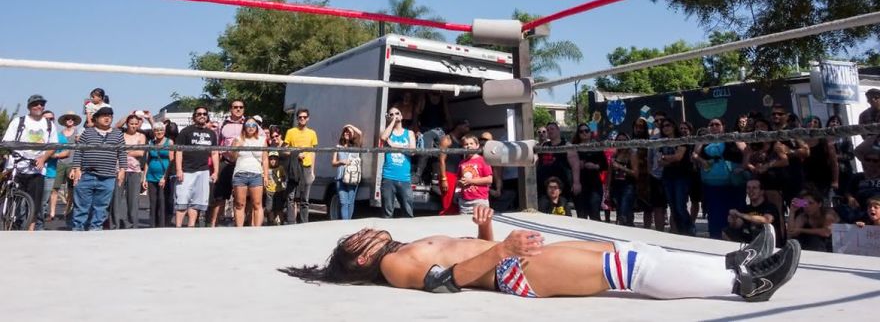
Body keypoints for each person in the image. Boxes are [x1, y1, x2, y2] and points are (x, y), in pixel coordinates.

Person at [282, 205, 800, 303]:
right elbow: (448, 280)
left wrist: (487, 229)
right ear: (360, 260)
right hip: (513, 272)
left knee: (630, 249)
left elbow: (470, 252)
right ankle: (744, 284)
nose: (363, 231)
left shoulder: (402, 246)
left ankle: (734, 263)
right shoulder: (395, 265)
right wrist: (504, 248)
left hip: (511, 258)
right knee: (629, 269)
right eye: (355, 240)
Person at [1, 94, 58, 231]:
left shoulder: (49, 124)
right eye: (35, 104)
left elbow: (53, 145)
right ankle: (10, 226)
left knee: (35, 202)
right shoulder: (18, 121)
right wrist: (13, 155)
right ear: (29, 107)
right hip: (18, 166)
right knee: (13, 201)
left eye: (41, 104)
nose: (39, 106)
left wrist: (43, 158)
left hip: (37, 169)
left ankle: (30, 231)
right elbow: (7, 141)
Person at [70, 106, 126, 231]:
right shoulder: (87, 132)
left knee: (101, 207)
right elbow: (79, 151)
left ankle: (95, 230)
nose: (107, 118)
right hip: (87, 175)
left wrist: (122, 170)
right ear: (96, 118)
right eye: (104, 116)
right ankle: (77, 230)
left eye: (110, 116)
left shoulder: (118, 134)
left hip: (108, 177)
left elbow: (122, 153)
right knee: (82, 206)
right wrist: (76, 168)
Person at [693, 119, 748, 239]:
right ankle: (716, 240)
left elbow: (746, 151)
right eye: (711, 125)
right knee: (714, 215)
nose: (714, 127)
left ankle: (736, 239)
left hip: (732, 186)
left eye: (717, 124)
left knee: (734, 214)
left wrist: (743, 167)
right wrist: (702, 161)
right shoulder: (703, 139)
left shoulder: (732, 137)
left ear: (723, 126)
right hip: (711, 187)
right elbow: (694, 155)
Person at [174, 106, 219, 228]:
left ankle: (191, 227)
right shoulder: (186, 131)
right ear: (194, 116)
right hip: (186, 170)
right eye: (199, 114)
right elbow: (178, 151)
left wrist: (216, 171)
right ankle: (178, 228)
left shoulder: (211, 133)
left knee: (196, 203)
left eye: (204, 114)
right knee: (182, 201)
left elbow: (214, 153)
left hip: (203, 171)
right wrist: (179, 169)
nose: (202, 116)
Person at [209, 100, 248, 227]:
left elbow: (261, 138)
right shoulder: (223, 124)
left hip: (243, 164)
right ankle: (213, 225)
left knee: (241, 198)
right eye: (235, 107)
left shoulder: (249, 123)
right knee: (219, 197)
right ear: (230, 109)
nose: (238, 109)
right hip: (226, 163)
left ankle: (241, 227)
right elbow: (216, 144)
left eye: (241, 107)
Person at [657, 120, 693, 235]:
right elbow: (659, 162)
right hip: (667, 177)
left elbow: (678, 157)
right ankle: (680, 231)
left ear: (673, 126)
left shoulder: (681, 140)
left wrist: (665, 157)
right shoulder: (663, 142)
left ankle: (689, 230)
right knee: (673, 207)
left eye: (668, 125)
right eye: (663, 126)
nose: (665, 128)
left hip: (681, 177)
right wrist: (670, 159)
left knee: (680, 206)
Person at [230, 118, 268, 227]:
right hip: (240, 174)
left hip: (256, 174)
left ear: (257, 127)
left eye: (253, 125)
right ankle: (239, 229)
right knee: (239, 204)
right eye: (248, 124)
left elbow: (265, 159)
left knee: (257, 204)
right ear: (244, 127)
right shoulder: (237, 139)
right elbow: (232, 158)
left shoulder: (262, 140)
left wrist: (266, 176)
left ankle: (257, 229)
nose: (251, 127)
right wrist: (236, 148)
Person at [112, 112, 146, 229]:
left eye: (136, 124)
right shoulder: (120, 135)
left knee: (133, 200)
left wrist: (124, 151)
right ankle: (115, 224)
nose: (134, 126)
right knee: (116, 198)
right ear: (127, 123)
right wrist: (128, 115)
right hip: (119, 169)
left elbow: (140, 153)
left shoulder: (141, 136)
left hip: (134, 170)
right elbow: (116, 127)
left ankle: (132, 225)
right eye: (131, 123)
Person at [723, 179, 782, 247]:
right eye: (748, 188)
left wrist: (740, 214)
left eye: (754, 188)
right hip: (748, 241)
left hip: (766, 243)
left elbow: (766, 220)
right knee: (727, 231)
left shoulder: (770, 207)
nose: (751, 190)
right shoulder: (745, 208)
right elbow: (738, 224)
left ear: (762, 191)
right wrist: (733, 220)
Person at [284, 109, 318, 223]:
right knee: (291, 197)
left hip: (306, 168)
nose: (302, 119)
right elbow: (284, 150)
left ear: (308, 118)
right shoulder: (290, 132)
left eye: (304, 117)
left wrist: (312, 171)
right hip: (294, 167)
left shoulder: (312, 133)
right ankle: (290, 222)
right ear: (297, 118)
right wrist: (296, 154)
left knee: (305, 199)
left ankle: (304, 223)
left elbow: (313, 152)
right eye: (300, 117)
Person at [380, 107, 415, 218]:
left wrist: (394, 145)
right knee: (387, 213)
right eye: (391, 114)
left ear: (401, 116)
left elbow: (412, 151)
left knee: (408, 212)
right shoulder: (387, 133)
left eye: (397, 113)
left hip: (404, 178)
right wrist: (392, 122)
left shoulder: (409, 133)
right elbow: (383, 137)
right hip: (388, 177)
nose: (395, 115)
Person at [48, 111, 80, 224]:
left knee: (71, 188)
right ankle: (52, 212)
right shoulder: (59, 134)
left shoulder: (78, 133)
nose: (70, 120)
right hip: (59, 162)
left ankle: (67, 211)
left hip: (72, 163)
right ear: (64, 121)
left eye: (72, 118)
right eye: (67, 118)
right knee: (55, 188)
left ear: (74, 121)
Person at [438, 118, 471, 215]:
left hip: (459, 175)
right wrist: (444, 179)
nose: (468, 129)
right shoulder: (447, 139)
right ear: (458, 126)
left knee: (457, 203)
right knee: (448, 204)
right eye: (466, 126)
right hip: (448, 174)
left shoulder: (462, 141)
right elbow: (441, 160)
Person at [143, 121, 173, 228]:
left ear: (164, 131)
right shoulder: (150, 142)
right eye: (156, 130)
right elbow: (147, 161)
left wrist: (164, 177)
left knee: (162, 201)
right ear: (153, 131)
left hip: (163, 176)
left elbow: (171, 160)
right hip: (151, 176)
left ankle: (162, 225)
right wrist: (145, 178)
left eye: (161, 130)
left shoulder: (169, 142)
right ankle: (152, 225)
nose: (159, 132)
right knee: (153, 202)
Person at [455, 134, 493, 215]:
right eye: (466, 144)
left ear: (477, 145)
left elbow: (489, 179)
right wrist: (460, 183)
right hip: (464, 201)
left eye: (471, 143)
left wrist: (470, 181)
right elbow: (457, 180)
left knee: (481, 219)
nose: (469, 146)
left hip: (480, 200)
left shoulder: (483, 160)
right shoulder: (462, 163)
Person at [331, 124, 362, 221]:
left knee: (350, 202)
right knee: (343, 202)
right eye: (345, 131)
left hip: (351, 177)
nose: (347, 133)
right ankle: (345, 224)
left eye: (349, 132)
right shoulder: (338, 147)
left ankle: (348, 224)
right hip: (340, 177)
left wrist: (349, 125)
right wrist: (341, 162)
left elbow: (360, 133)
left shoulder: (356, 146)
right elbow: (333, 163)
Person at [609, 134, 638, 226]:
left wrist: (621, 167)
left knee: (624, 211)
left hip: (628, 185)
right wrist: (607, 188)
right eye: (619, 140)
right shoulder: (614, 155)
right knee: (619, 210)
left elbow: (635, 173)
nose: (621, 142)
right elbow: (610, 173)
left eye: (624, 140)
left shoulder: (632, 154)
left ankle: (627, 227)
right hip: (616, 185)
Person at [265, 152, 288, 225]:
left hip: (279, 191)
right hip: (269, 191)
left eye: (275, 159)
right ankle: (271, 222)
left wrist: (281, 179)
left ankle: (281, 222)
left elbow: (284, 177)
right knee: (269, 208)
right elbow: (263, 177)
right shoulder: (266, 168)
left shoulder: (281, 168)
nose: (273, 161)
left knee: (279, 208)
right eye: (271, 159)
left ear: (278, 160)